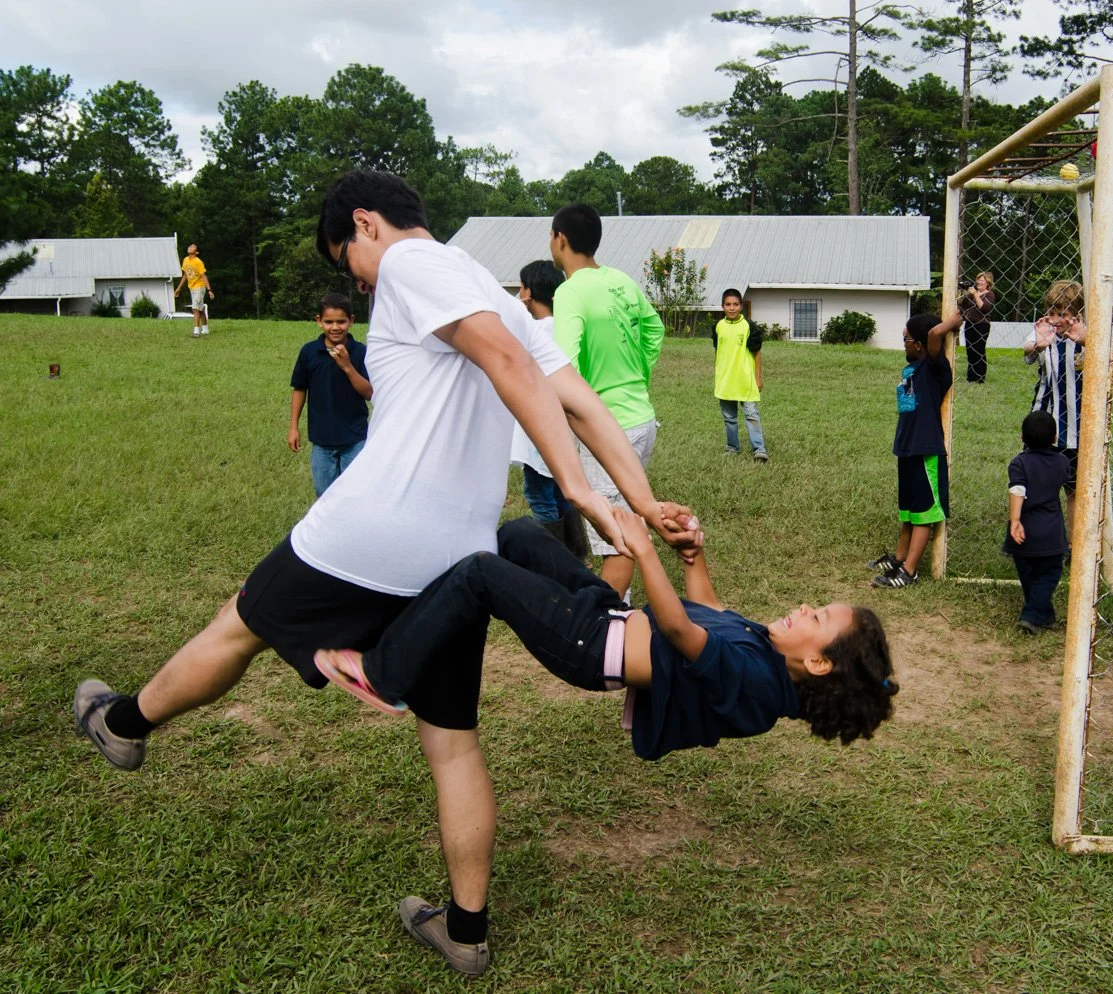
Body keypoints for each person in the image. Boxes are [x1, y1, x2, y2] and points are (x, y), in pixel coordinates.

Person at [72, 169, 700, 979]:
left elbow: (512, 364)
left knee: (242, 623)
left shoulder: (410, 266)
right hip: (456, 555)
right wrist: (641, 501)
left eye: (348, 260)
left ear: (366, 223)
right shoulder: (488, 283)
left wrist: (580, 488)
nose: (356, 282)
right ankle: (466, 930)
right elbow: (575, 395)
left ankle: (122, 728)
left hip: (369, 533)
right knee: (450, 741)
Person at [314, 509, 898, 765]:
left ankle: (385, 675)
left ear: (819, 665)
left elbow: (679, 627)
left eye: (817, 618)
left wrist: (643, 550)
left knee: (481, 573)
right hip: (605, 612)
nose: (804, 608)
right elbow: (706, 608)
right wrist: (696, 556)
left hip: (588, 644)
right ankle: (425, 601)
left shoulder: (758, 687)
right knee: (518, 536)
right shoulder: (766, 650)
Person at [551, 202, 667, 597]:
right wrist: (637, 375)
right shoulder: (620, 279)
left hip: (605, 429)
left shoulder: (569, 292)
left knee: (615, 540)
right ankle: (622, 616)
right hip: (642, 418)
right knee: (626, 520)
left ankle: (602, 632)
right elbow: (654, 329)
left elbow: (561, 364)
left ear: (560, 239)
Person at [865, 311, 960, 589]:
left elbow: (934, 334)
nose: (903, 343)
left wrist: (958, 317)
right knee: (908, 511)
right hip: (906, 448)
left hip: (926, 448)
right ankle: (899, 557)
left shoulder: (934, 368)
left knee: (924, 512)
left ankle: (910, 570)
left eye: (906, 338)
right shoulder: (913, 368)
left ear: (918, 344)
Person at [510, 259, 589, 559]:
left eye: (521, 287)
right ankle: (577, 555)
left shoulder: (530, 332)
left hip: (536, 430)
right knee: (562, 492)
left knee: (539, 496)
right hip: (564, 427)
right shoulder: (564, 328)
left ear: (528, 293)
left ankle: (554, 559)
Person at [288, 291, 372, 497]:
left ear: (351, 321)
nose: (335, 327)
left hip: (355, 438)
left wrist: (347, 366)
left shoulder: (361, 352)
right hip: (322, 440)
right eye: (329, 321)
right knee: (324, 496)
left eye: (341, 321)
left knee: (354, 495)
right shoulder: (309, 352)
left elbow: (369, 392)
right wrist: (293, 427)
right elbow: (300, 388)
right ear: (319, 321)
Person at [1022, 280, 1086, 512]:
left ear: (1077, 314)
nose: (1056, 319)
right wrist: (1039, 345)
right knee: (1037, 483)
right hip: (1044, 422)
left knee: (1075, 489)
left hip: (1078, 427)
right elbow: (1028, 349)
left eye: (1063, 313)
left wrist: (1085, 339)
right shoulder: (1044, 331)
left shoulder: (1087, 336)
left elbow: (1110, 353)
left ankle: (1073, 544)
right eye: (1052, 312)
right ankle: (1038, 533)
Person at [1004, 411, 1070, 634]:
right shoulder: (1062, 462)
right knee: (1049, 575)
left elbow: (1017, 489)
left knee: (1029, 576)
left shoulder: (1018, 463)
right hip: (1050, 533)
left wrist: (1015, 520)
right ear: (1055, 438)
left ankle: (1044, 615)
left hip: (1023, 532)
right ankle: (1032, 616)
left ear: (1022, 437)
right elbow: (1065, 479)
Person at [713, 288, 768, 462]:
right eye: (728, 304)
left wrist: (758, 377)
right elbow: (718, 351)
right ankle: (732, 448)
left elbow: (757, 352)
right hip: (725, 381)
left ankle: (759, 449)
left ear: (741, 306)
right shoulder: (718, 327)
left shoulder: (749, 326)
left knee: (752, 415)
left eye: (735, 304)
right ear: (722, 306)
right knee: (729, 418)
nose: (732, 308)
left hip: (745, 380)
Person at [959, 272, 996, 384]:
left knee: (979, 349)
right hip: (970, 324)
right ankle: (970, 377)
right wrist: (963, 291)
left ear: (988, 283)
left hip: (982, 325)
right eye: (978, 279)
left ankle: (980, 377)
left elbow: (984, 308)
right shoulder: (971, 295)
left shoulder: (990, 294)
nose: (979, 282)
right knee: (970, 350)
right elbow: (962, 305)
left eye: (982, 280)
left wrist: (975, 294)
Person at [174, 242, 214, 338]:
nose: (190, 247)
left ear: (197, 252)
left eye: (193, 247)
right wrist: (179, 288)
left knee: (195, 308)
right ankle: (205, 329)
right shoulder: (185, 260)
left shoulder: (198, 262)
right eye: (190, 246)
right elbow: (185, 275)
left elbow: (204, 276)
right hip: (192, 287)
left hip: (200, 287)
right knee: (200, 309)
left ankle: (196, 331)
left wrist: (210, 290)